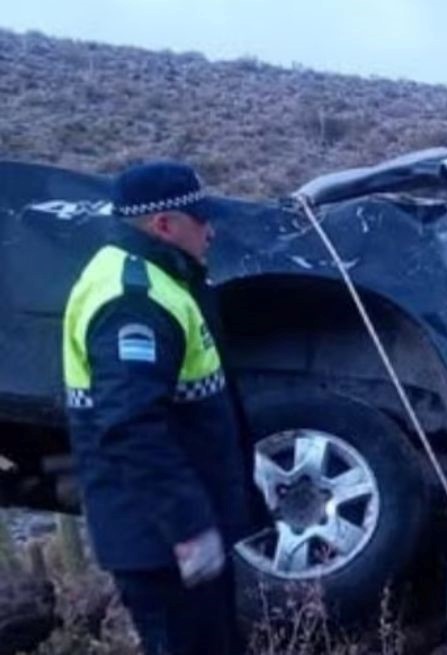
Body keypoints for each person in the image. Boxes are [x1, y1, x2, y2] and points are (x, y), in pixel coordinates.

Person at [61, 161, 249, 655]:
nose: (211, 229)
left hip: (170, 535)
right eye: (200, 219)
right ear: (163, 224)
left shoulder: (163, 279)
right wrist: (188, 527)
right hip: (161, 544)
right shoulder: (133, 299)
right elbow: (129, 425)